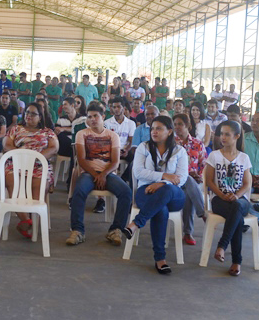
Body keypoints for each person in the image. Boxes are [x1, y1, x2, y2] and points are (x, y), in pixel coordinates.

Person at [122, 116, 187, 274]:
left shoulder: (180, 151)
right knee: (161, 209)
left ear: (169, 131)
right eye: (152, 128)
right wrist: (164, 176)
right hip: (146, 192)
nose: (154, 132)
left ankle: (136, 223)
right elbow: (138, 172)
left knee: (168, 190)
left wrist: (162, 183)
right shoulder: (143, 147)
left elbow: (181, 178)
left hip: (173, 195)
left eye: (159, 128)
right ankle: (160, 259)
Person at [68, 102, 131, 246]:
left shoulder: (112, 135)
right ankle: (77, 231)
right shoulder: (81, 134)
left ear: (103, 117)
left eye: (96, 116)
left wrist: (103, 175)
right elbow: (82, 160)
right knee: (79, 191)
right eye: (89, 117)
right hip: (88, 173)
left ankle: (115, 230)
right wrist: (96, 175)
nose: (92, 119)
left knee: (126, 192)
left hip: (108, 173)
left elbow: (115, 162)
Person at [204, 120, 252, 277]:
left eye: (227, 134)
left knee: (237, 207)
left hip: (241, 200)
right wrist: (222, 195)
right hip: (219, 199)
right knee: (236, 216)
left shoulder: (244, 158)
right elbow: (209, 181)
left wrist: (236, 195)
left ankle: (222, 246)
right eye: (221, 134)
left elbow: (247, 183)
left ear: (237, 136)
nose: (222, 137)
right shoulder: (214, 155)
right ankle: (236, 261)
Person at [4, 103, 58, 238]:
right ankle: (27, 221)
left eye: (33, 114)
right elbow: (6, 145)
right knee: (13, 183)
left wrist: (35, 158)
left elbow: (54, 148)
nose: (29, 115)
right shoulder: (15, 129)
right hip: (16, 164)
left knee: (38, 193)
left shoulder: (47, 132)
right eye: (27, 112)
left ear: (40, 117)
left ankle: (31, 220)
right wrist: (20, 156)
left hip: (39, 165)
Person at [173, 114, 207, 245]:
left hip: (194, 183)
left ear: (189, 126)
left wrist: (199, 175)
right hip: (175, 180)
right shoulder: (171, 143)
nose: (177, 127)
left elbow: (204, 164)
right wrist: (188, 174)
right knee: (187, 179)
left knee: (189, 191)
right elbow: (168, 166)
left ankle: (187, 233)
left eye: (180, 124)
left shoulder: (198, 144)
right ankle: (202, 214)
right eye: (175, 124)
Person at [104, 97, 136, 187]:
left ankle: (123, 179)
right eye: (114, 107)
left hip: (124, 150)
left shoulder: (131, 123)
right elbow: (106, 141)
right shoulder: (107, 123)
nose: (116, 109)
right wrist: (115, 151)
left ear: (123, 108)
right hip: (111, 150)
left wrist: (127, 150)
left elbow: (131, 140)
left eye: (118, 107)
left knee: (135, 160)